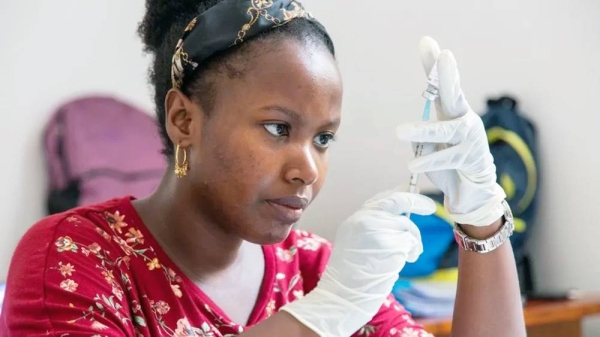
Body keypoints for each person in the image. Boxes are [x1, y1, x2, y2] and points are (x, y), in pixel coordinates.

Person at [0, 0, 527, 336]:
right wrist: (320, 317)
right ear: (184, 119)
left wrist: (482, 222)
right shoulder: (74, 257)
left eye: (324, 138)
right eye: (279, 128)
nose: (308, 170)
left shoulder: (314, 270)